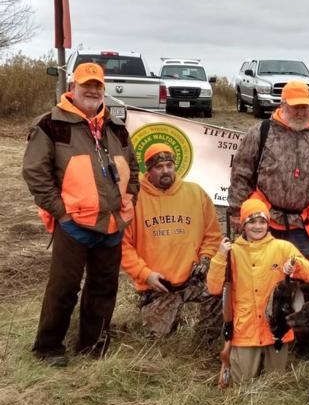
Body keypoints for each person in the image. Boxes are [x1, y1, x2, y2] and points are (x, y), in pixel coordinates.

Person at [22, 62, 139, 366]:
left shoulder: (116, 128)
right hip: (73, 224)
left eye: (97, 86)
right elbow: (35, 173)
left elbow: (134, 170)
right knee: (64, 287)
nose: (91, 90)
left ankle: (93, 345)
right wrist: (60, 212)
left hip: (112, 224)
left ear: (104, 90)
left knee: (104, 287)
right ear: (72, 87)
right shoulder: (50, 124)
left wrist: (129, 202)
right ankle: (48, 347)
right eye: (86, 84)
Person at [228, 81, 309, 265]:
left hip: (305, 223)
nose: (300, 112)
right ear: (283, 104)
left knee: (305, 277)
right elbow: (241, 173)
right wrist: (237, 211)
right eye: (295, 107)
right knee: (262, 275)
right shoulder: (261, 132)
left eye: (305, 106)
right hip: (265, 219)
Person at [206, 198, 309, 383]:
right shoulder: (232, 252)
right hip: (245, 329)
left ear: (268, 223)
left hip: (277, 329)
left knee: (274, 384)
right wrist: (220, 256)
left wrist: (295, 266)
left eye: (262, 221)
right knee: (242, 385)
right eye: (251, 221)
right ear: (243, 225)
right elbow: (213, 287)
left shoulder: (283, 248)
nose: (257, 226)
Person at [121, 143, 222, 338]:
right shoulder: (134, 199)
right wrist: (145, 274)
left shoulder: (196, 193)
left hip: (194, 280)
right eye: (159, 167)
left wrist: (206, 258)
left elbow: (213, 235)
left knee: (221, 292)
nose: (165, 171)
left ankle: (205, 342)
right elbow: (123, 246)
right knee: (156, 341)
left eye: (169, 165)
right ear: (148, 170)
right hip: (159, 285)